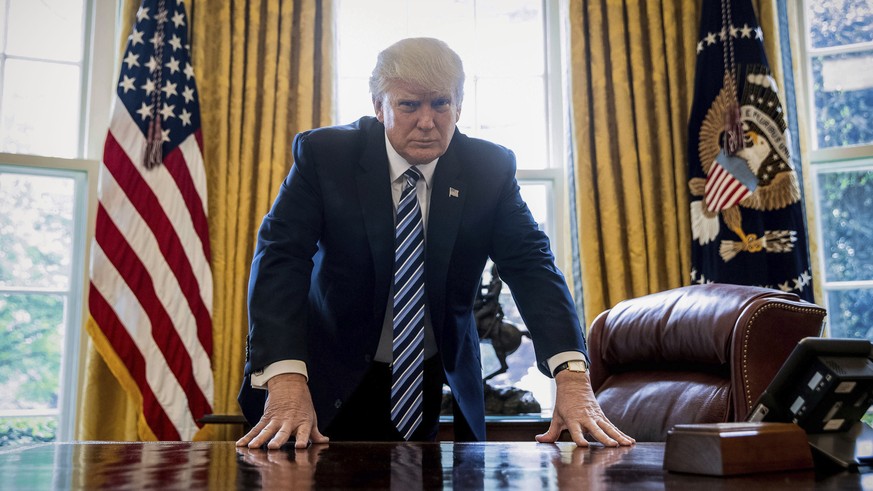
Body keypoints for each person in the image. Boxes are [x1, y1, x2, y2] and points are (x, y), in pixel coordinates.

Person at [236, 37, 634, 449]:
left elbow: (533, 267)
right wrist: (284, 378)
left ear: (459, 106)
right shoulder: (326, 156)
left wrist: (572, 377)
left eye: (441, 104)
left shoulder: (488, 169)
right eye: (409, 105)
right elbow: (280, 258)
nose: (427, 121)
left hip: (422, 383)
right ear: (379, 106)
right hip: (319, 380)